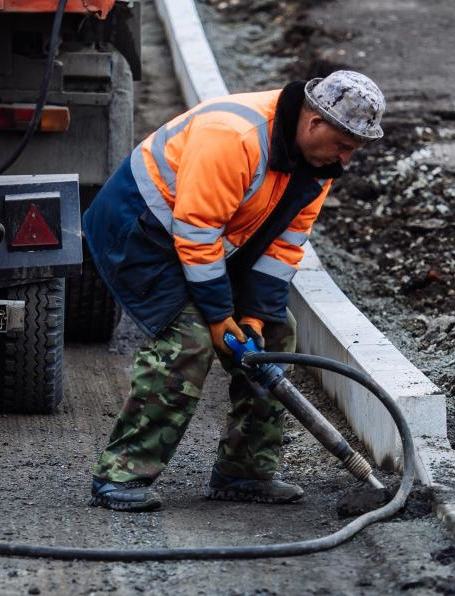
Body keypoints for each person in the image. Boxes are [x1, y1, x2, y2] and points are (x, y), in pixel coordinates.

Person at [82, 70, 386, 512]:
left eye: (353, 151)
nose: (345, 160)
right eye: (343, 146)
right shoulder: (235, 136)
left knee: (276, 335)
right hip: (140, 229)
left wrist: (255, 317)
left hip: (207, 238)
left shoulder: (320, 163)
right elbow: (196, 231)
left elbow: (284, 244)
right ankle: (121, 476)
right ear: (315, 122)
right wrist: (220, 316)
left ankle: (244, 472)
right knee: (189, 339)